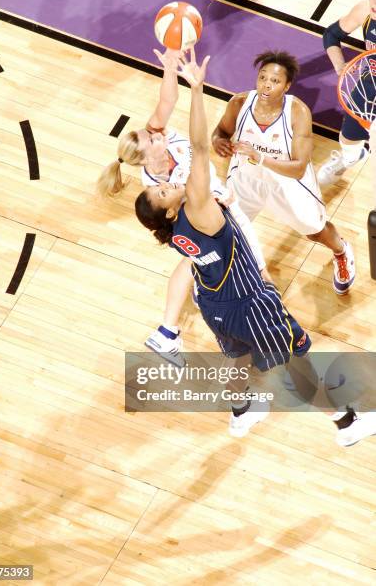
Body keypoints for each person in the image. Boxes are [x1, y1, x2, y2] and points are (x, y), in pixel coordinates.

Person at [134, 48, 376, 446]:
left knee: (236, 359)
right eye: (163, 190)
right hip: (250, 301)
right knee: (294, 362)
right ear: (172, 208)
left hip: (213, 301)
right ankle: (346, 424)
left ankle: (242, 412)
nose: (168, 182)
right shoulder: (199, 207)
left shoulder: (176, 230)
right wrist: (196, 89)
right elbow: (198, 141)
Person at [98, 48, 270, 366]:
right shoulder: (158, 186)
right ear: (147, 157)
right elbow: (191, 201)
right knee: (257, 272)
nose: (154, 133)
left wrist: (168, 68)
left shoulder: (156, 136)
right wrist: (220, 200)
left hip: (207, 208)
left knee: (194, 265)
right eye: (149, 138)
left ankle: (167, 332)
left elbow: (167, 102)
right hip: (209, 217)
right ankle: (266, 337)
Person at [211, 50, 355, 295]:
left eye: (275, 81)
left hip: (287, 183)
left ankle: (341, 252)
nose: (266, 85)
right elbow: (220, 132)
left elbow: (299, 167)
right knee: (223, 230)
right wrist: (218, 142)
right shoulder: (239, 103)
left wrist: (260, 157)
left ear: (287, 86)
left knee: (315, 231)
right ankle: (219, 279)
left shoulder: (298, 112)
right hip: (245, 180)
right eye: (263, 78)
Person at [317, 0, 375, 184]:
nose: (374, 2)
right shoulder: (365, 10)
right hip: (370, 87)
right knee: (348, 138)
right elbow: (331, 35)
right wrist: (340, 66)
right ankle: (352, 157)